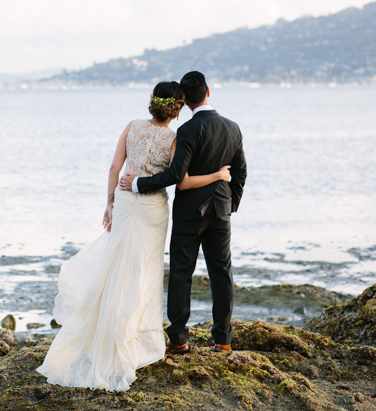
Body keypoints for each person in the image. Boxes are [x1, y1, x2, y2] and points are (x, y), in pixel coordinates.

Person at [36, 81, 231, 392]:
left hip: (126, 203)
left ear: (153, 102)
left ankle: (105, 333)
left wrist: (110, 202)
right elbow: (180, 180)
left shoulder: (132, 126)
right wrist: (219, 175)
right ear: (176, 109)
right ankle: (136, 338)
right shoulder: (173, 138)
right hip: (153, 208)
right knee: (144, 272)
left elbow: (116, 166)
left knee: (116, 268)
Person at [119, 71, 247, 354]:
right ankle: (223, 339)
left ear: (186, 100)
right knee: (222, 273)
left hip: (189, 212)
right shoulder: (233, 127)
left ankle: (178, 339)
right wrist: (230, 205)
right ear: (209, 92)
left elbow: (176, 175)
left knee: (181, 273)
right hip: (221, 211)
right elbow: (240, 172)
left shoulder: (188, 131)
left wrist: (138, 184)